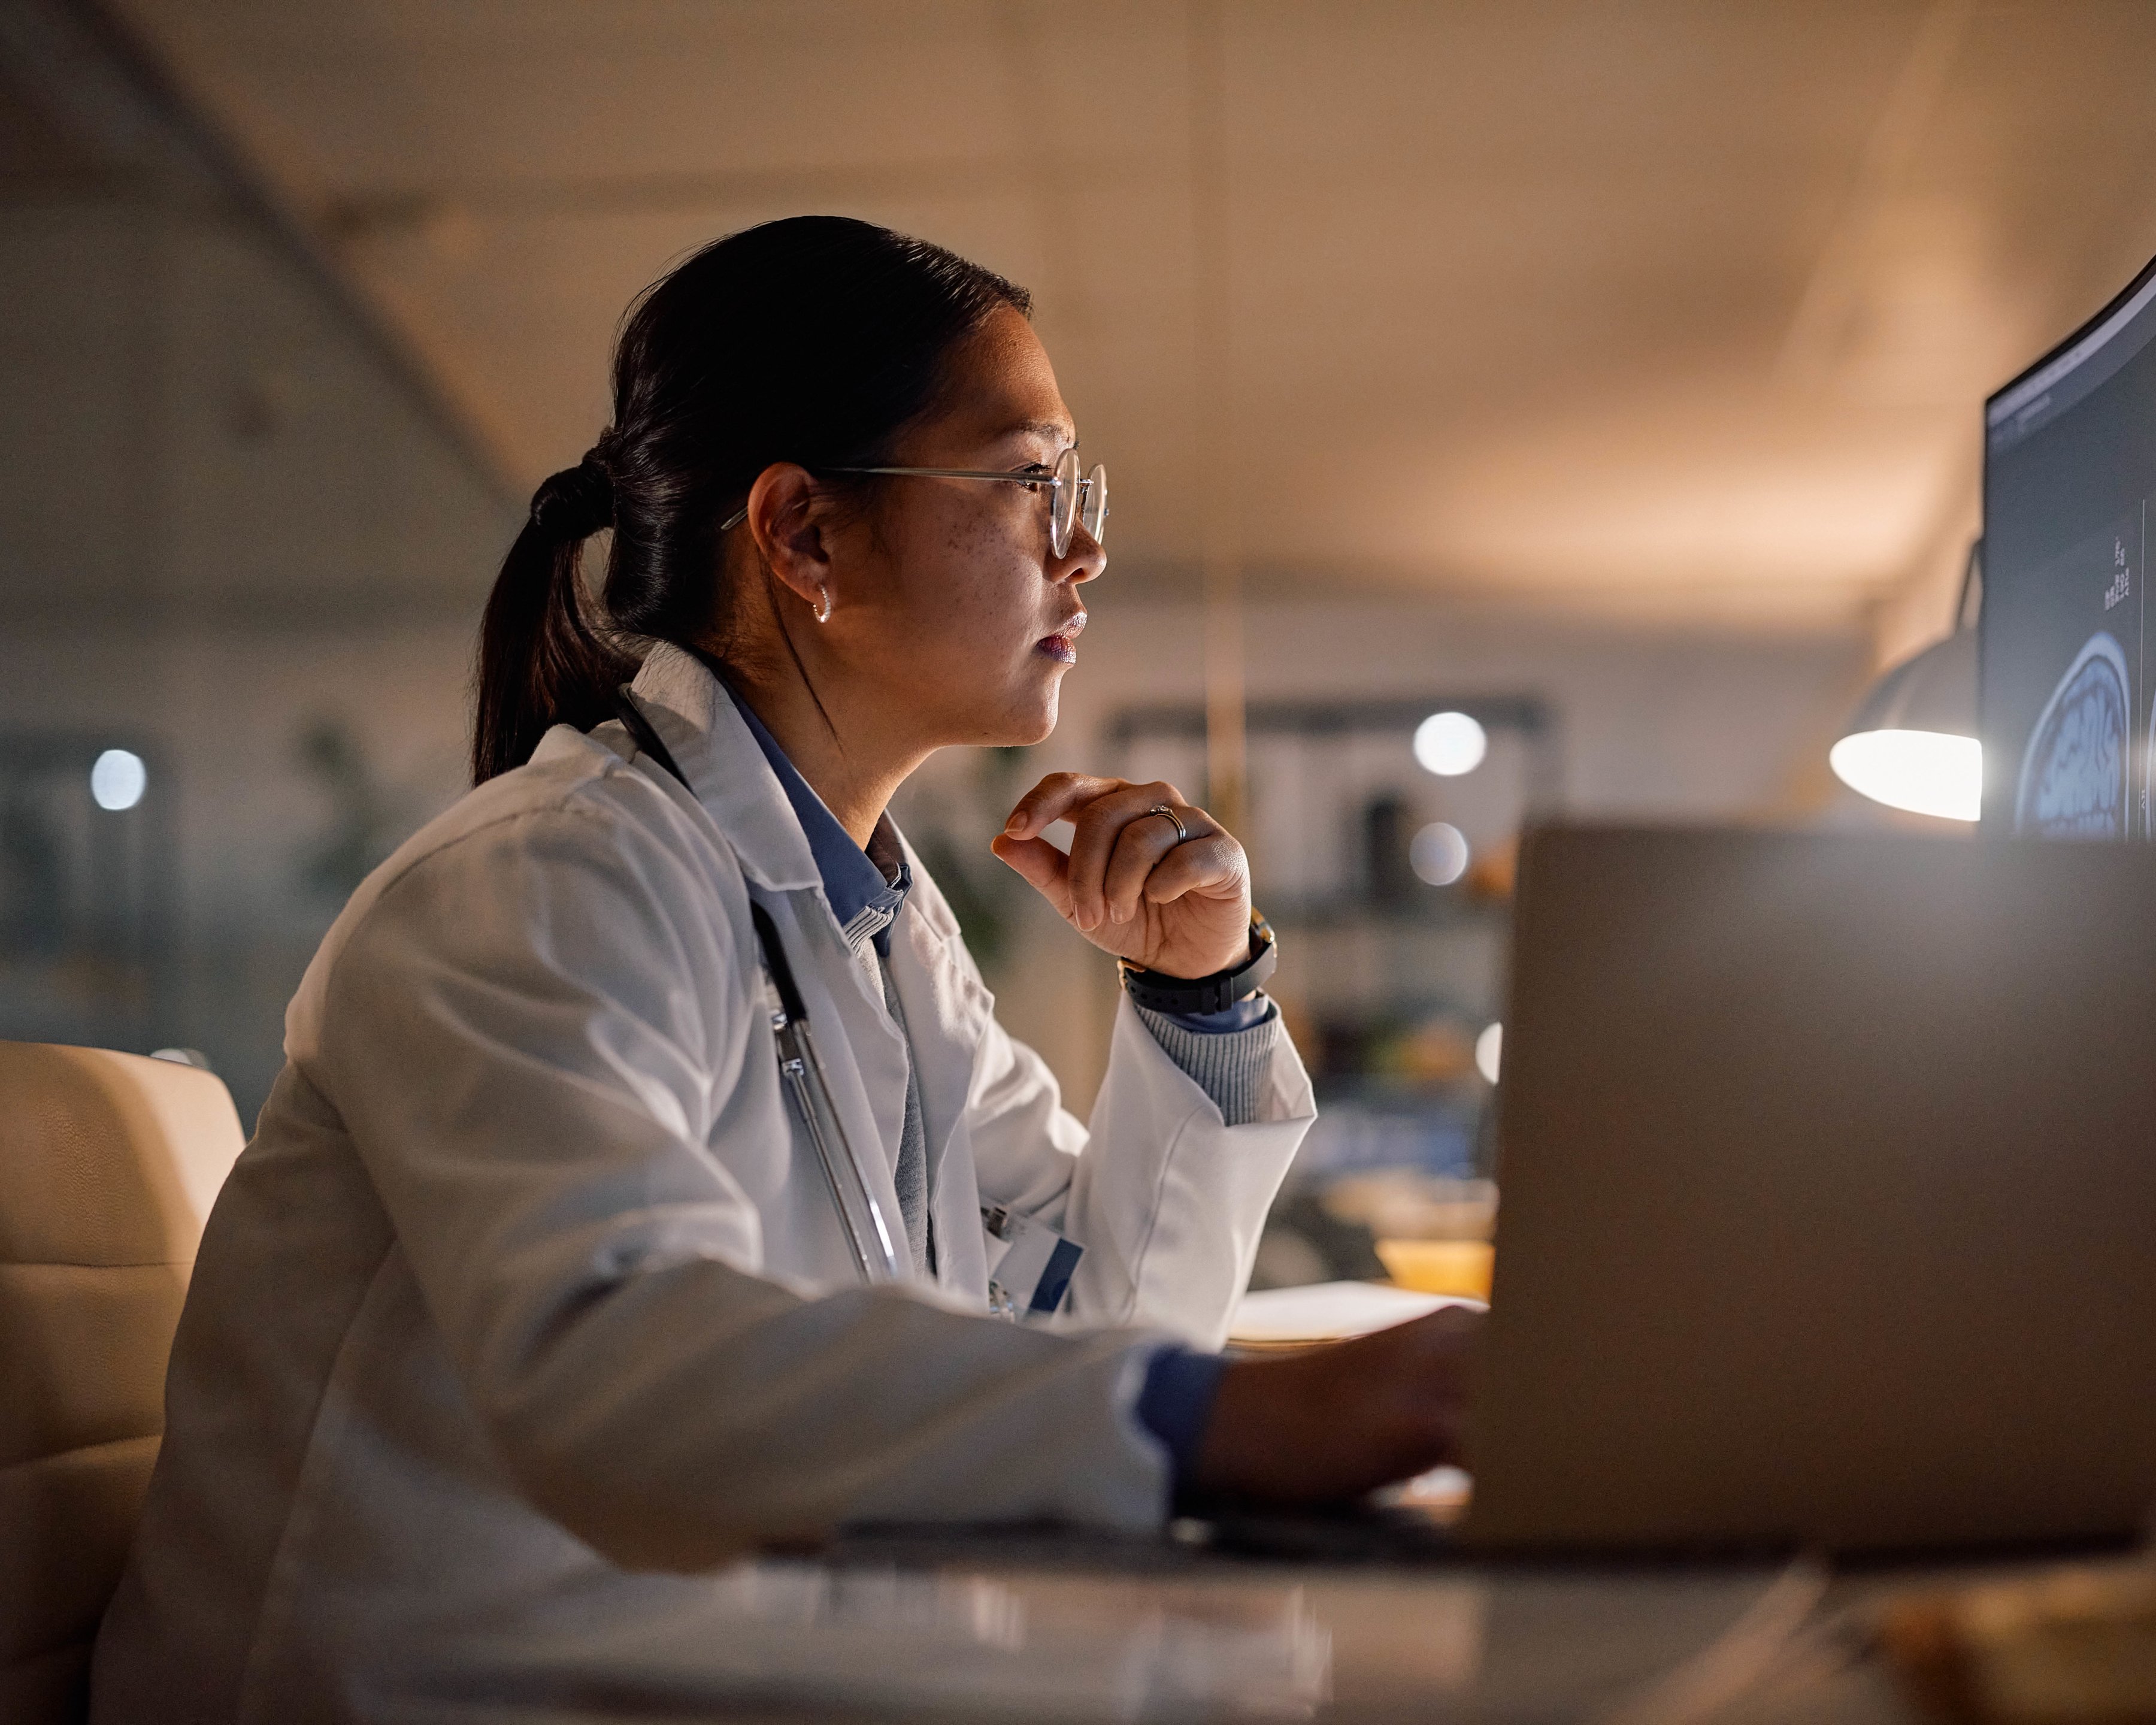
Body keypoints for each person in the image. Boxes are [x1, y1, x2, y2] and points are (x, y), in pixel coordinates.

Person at [92, 216, 1479, 1722]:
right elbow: (613, 1363)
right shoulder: (542, 884)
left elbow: (1095, 1336)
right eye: (1032, 484)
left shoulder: (877, 928)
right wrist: (1216, 1420)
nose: (1082, 550)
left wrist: (1200, 1001)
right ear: (805, 533)